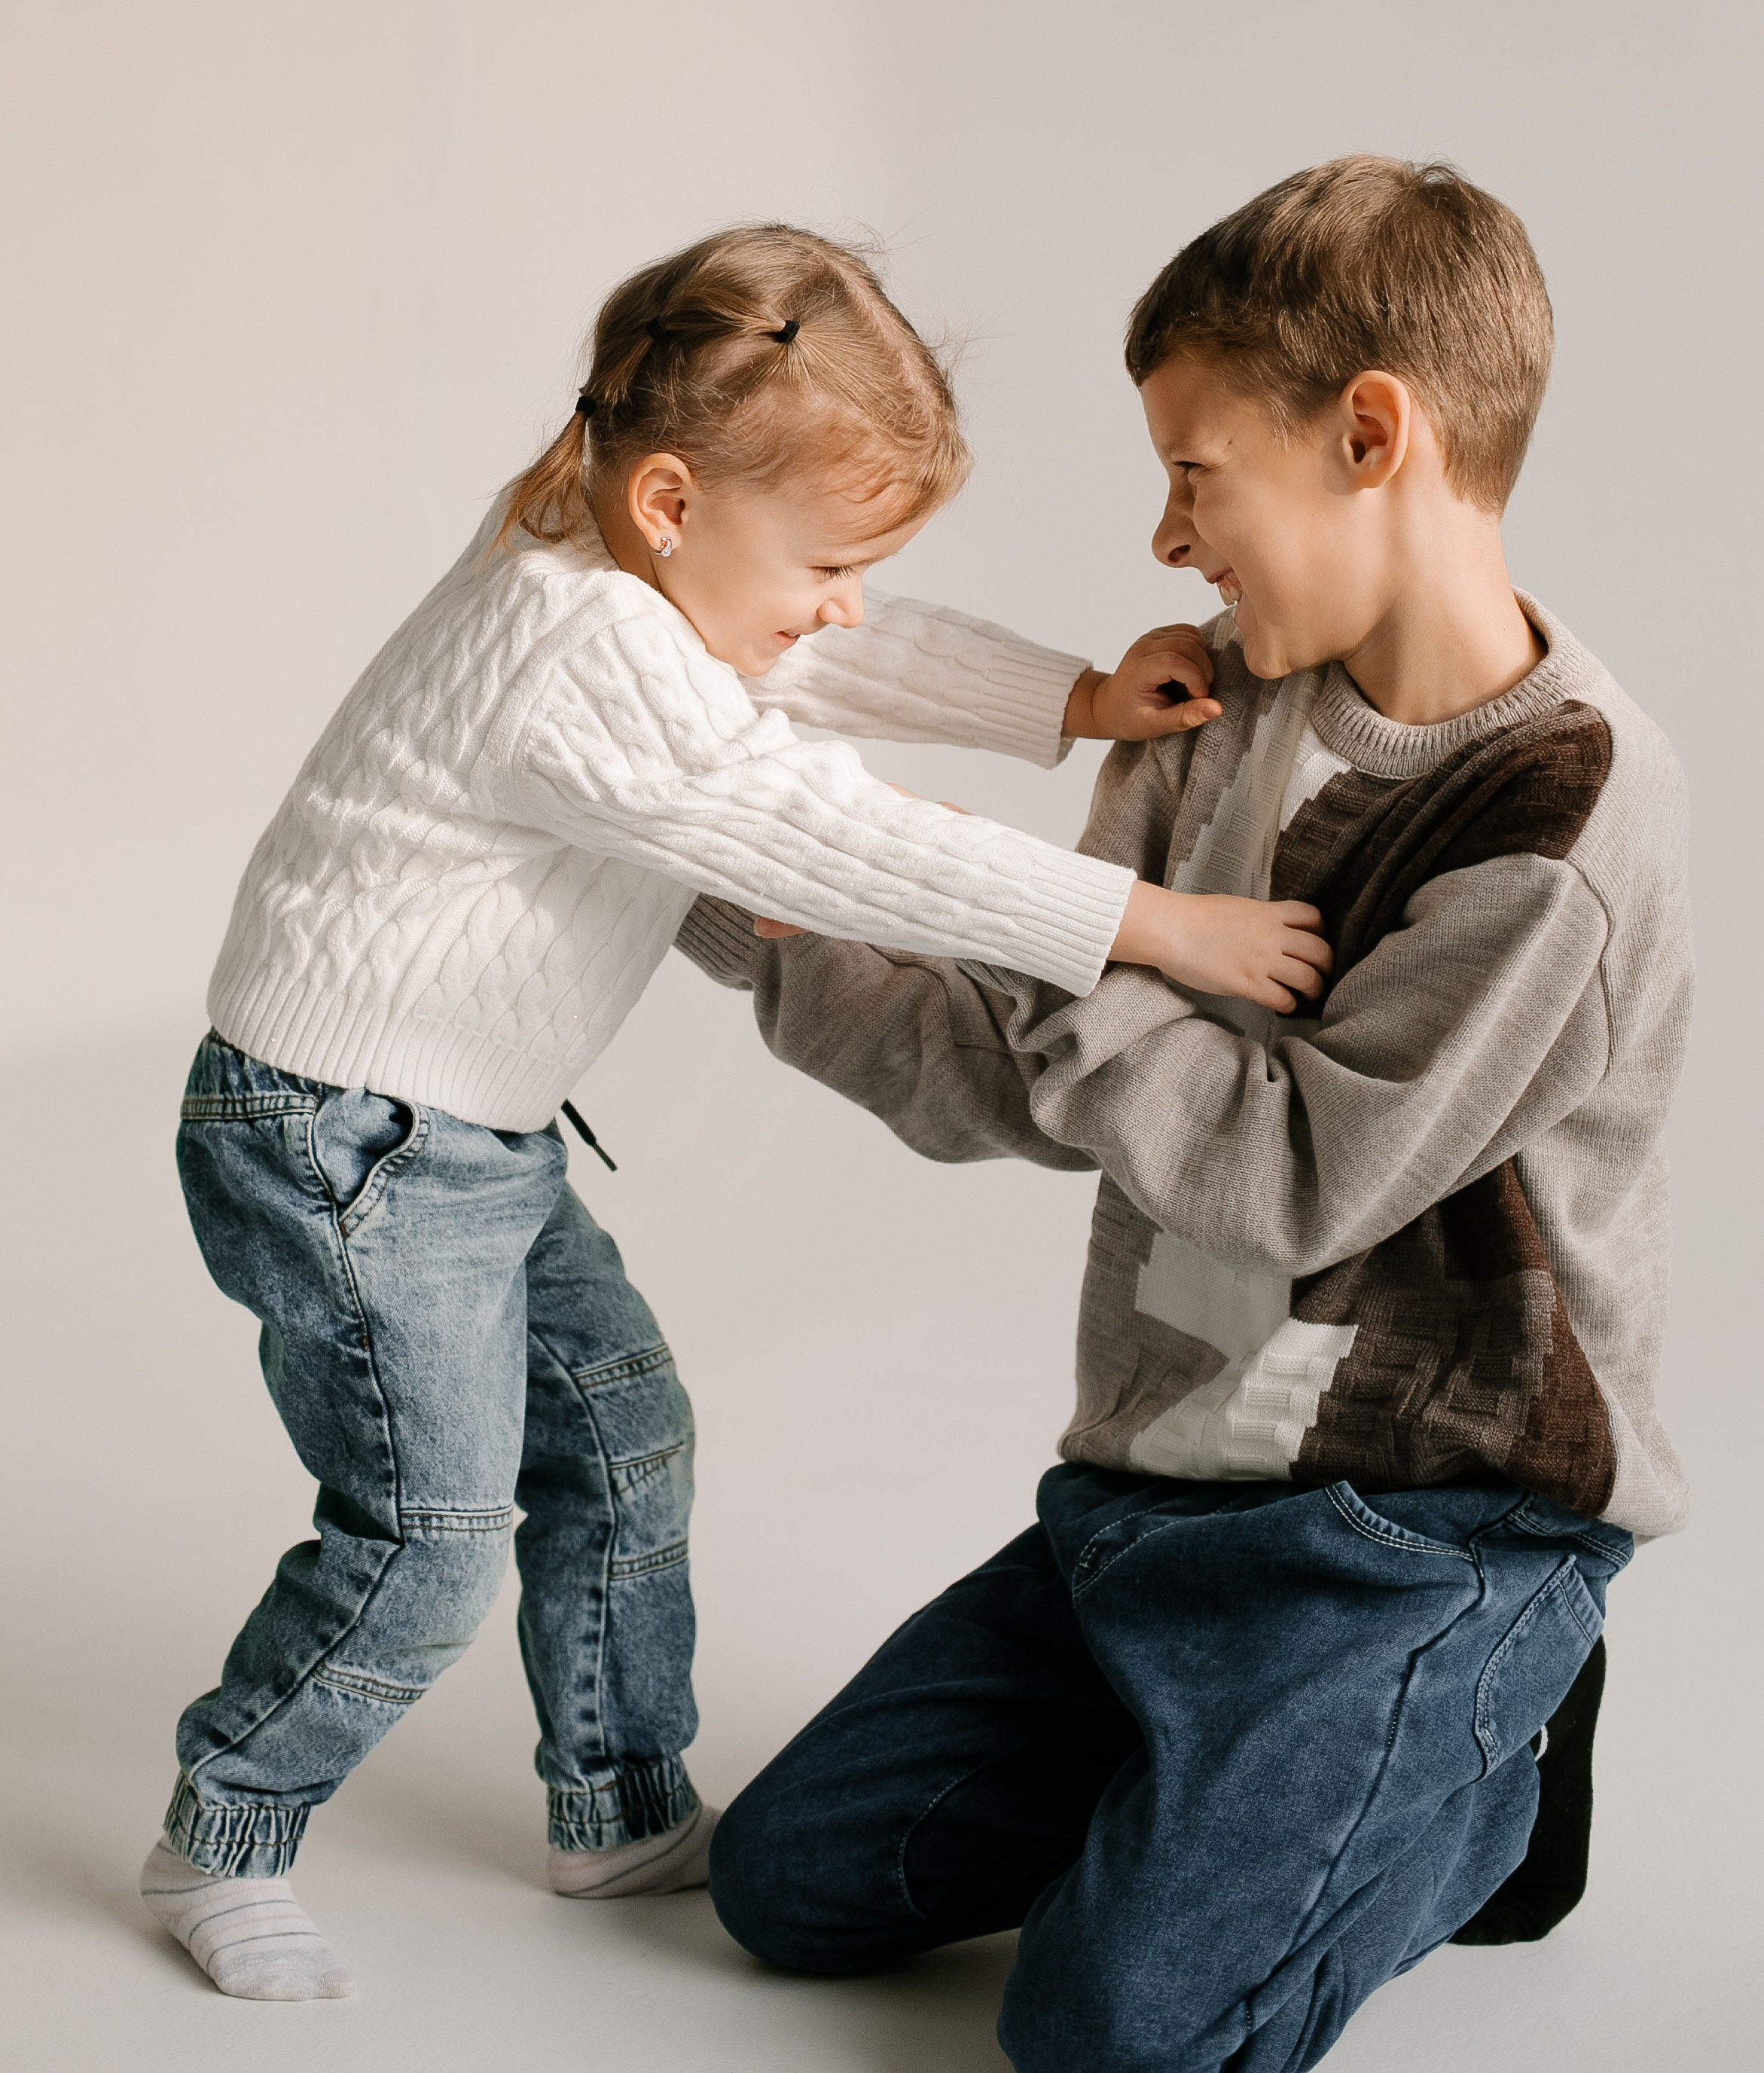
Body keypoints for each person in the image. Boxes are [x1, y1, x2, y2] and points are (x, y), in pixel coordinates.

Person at [140, 223, 1326, 2004]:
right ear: (674, 497)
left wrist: (1062, 699)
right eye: (832, 558)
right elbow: (824, 827)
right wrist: (1148, 922)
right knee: (427, 1534)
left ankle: (612, 1800)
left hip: (471, 1131)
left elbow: (819, 659)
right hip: (344, 1144)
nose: (845, 598)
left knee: (625, 1438)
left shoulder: (626, 551)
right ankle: (221, 1825)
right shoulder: (573, 641)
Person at [685, 161, 1692, 2073]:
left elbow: (1289, 1166)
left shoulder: (1556, 812)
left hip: (1423, 1523)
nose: (1166, 535)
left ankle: (1477, 1741)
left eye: (1196, 469)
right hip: (1152, 1497)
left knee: (1113, 2038)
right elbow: (1049, 1062)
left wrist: (1071, 942)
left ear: (1368, 432)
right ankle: (1241, 1772)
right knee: (791, 1883)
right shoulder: (1223, 710)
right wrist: (751, 893)